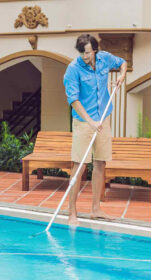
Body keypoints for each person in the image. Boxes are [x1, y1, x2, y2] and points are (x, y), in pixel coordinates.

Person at [63, 34, 127, 225]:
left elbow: (123, 62)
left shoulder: (105, 58)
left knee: (100, 163)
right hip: (84, 122)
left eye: (88, 52)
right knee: (79, 165)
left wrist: (122, 75)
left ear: (95, 50)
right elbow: (73, 100)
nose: (85, 56)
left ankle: (95, 209)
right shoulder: (73, 69)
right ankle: (72, 211)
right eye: (82, 53)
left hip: (103, 118)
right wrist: (90, 121)